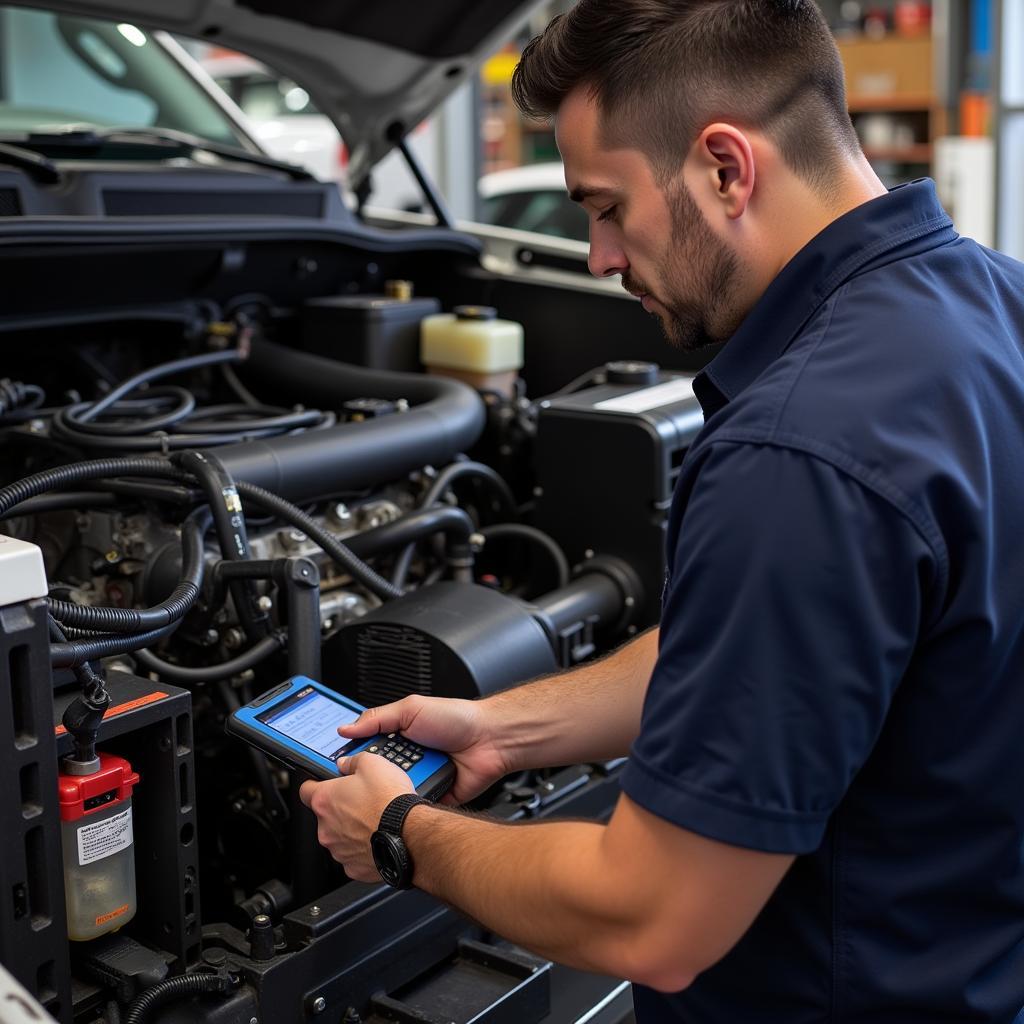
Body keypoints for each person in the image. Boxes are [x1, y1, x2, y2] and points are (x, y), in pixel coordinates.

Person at [300, 1, 1024, 1019]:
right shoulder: (995, 303)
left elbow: (653, 919)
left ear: (726, 169)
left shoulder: (798, 450)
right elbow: (770, 652)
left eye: (605, 207)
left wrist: (398, 833)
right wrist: (502, 729)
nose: (596, 255)